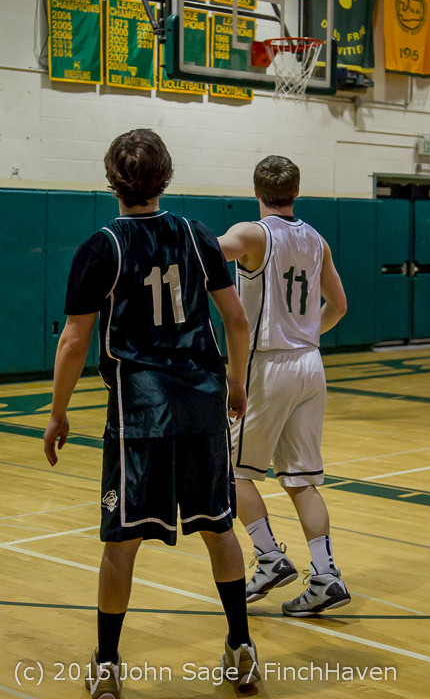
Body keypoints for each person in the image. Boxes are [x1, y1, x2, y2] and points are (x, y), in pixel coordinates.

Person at [43, 129, 260, 699]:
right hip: (202, 401)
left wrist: (58, 413)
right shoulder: (196, 235)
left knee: (122, 542)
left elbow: (73, 341)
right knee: (218, 527)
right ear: (165, 175)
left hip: (140, 413)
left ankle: (109, 665)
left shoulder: (102, 246)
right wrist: (234, 383)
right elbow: (236, 321)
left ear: (111, 178)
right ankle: (241, 647)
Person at [218, 155, 350, 617]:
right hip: (310, 364)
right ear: (297, 191)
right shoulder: (316, 239)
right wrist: (308, 334)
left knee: (233, 472)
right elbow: (340, 304)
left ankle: (271, 557)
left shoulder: (253, 233)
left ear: (257, 192)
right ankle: (326, 575)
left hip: (267, 364)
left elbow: (206, 254)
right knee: (302, 480)